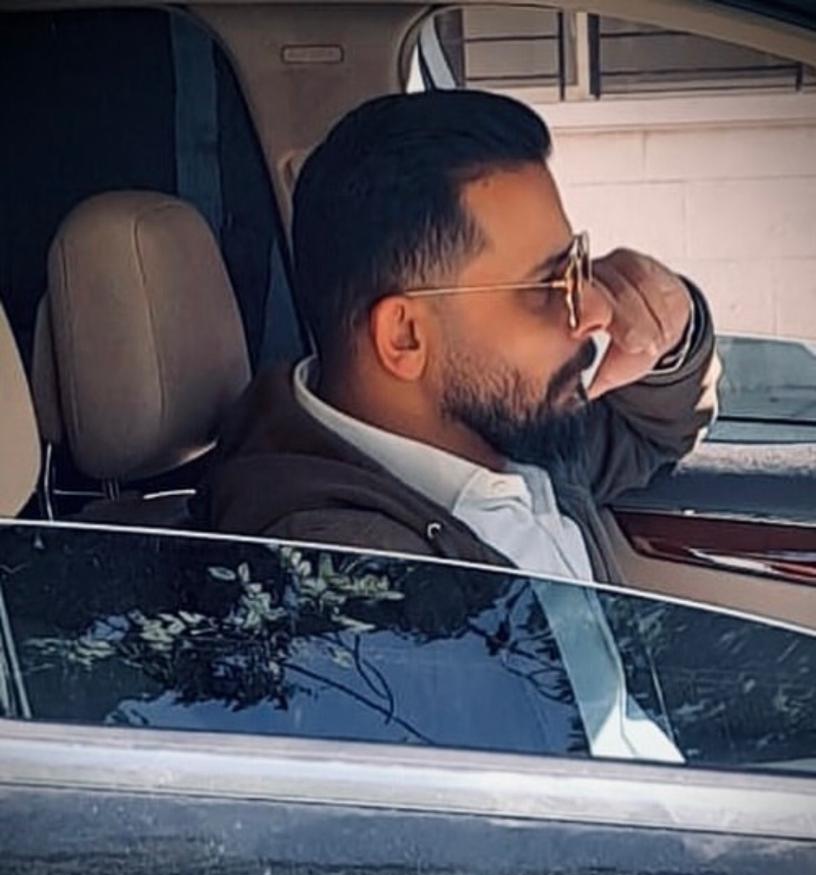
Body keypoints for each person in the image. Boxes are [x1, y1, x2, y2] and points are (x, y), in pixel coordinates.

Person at [199, 90, 719, 584]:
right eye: (547, 284)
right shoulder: (348, 579)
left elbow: (651, 433)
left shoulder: (500, 427)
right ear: (405, 336)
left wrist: (671, 326)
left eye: (577, 264)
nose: (598, 308)